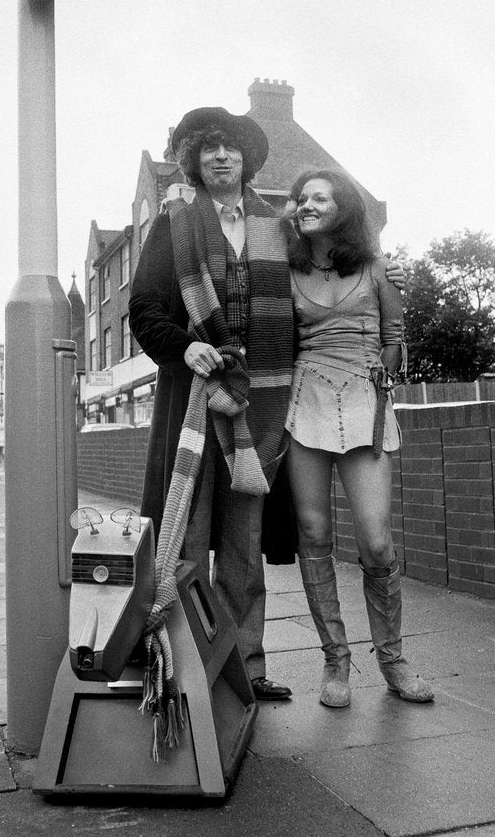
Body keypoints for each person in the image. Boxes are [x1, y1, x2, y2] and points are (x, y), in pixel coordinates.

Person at [129, 107, 405, 702]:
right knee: (185, 535)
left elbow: (332, 267)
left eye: (231, 148)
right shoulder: (174, 224)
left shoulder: (276, 227)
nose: (221, 157)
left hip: (263, 409)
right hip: (195, 404)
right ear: (194, 159)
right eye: (209, 149)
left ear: (247, 159)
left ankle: (244, 671)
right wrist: (188, 347)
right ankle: (180, 668)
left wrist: (386, 272)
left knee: (241, 548)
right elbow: (145, 312)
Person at [283, 168, 434, 708]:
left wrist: (383, 376)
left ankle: (392, 659)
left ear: (342, 207)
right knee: (313, 531)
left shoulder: (375, 268)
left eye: (319, 197)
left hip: (366, 402)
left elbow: (395, 335)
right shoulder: (286, 269)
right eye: (301, 199)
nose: (306, 204)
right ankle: (336, 660)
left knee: (375, 541)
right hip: (306, 405)